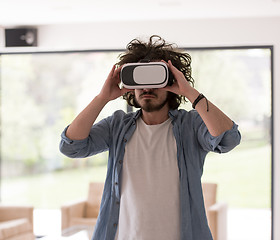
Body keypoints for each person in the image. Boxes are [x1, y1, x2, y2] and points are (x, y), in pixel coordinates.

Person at [59, 35, 241, 240]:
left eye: (155, 79)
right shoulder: (117, 125)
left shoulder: (191, 125)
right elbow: (71, 146)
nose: (147, 88)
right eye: (140, 80)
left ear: (169, 82)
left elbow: (228, 139)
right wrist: (102, 98)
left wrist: (190, 92)